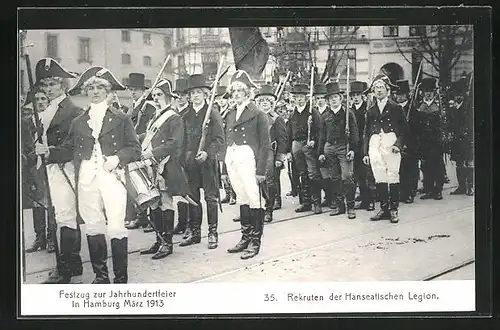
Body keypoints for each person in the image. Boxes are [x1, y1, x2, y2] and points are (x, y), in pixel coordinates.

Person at [38, 66, 141, 283]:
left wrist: (117, 158)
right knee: (93, 225)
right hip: (86, 179)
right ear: (86, 91)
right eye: (91, 87)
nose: (95, 91)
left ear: (108, 91)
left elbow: (134, 148)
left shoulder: (121, 118)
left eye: (100, 87)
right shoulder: (79, 122)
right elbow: (69, 149)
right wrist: (49, 151)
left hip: (112, 178)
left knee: (115, 225)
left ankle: (120, 278)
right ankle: (101, 277)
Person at [32, 58, 84, 284]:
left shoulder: (73, 110)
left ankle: (64, 269)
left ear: (63, 85)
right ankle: (73, 263)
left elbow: (74, 147)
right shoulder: (47, 109)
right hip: (51, 168)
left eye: (52, 84)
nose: (48, 89)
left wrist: (50, 151)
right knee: (62, 215)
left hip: (65, 168)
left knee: (65, 216)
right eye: (45, 85)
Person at [137, 79, 190, 260]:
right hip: (151, 164)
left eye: (159, 95)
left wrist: (151, 153)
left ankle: (167, 243)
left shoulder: (174, 117)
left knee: (165, 201)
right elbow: (150, 135)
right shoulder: (155, 116)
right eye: (154, 95)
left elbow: (174, 143)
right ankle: (159, 240)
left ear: (168, 96)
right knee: (154, 203)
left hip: (166, 164)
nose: (156, 98)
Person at [223, 70, 271, 259]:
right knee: (242, 197)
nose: (236, 94)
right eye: (233, 91)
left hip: (249, 159)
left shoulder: (258, 114)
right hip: (234, 158)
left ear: (248, 92)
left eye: (240, 91)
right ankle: (245, 237)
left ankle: (255, 241)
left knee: (254, 199)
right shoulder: (230, 113)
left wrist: (261, 171)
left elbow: (265, 144)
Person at [180, 74, 225, 249]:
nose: (196, 96)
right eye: (192, 93)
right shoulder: (185, 116)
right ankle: (195, 232)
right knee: (192, 198)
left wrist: (207, 152)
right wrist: (183, 158)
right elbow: (181, 141)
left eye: (199, 92)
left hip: (208, 162)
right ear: (189, 96)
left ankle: (213, 233)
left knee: (210, 198)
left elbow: (220, 139)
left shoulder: (212, 113)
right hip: (190, 162)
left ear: (206, 94)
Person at [362, 74, 407, 223]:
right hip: (375, 145)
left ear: (388, 90)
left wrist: (398, 145)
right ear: (373, 91)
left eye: (381, 87)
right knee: (379, 176)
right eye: (376, 88)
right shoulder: (371, 110)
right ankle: (384, 208)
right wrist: (365, 153)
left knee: (393, 175)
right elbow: (366, 132)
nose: (379, 90)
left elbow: (404, 130)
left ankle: (394, 209)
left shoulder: (396, 108)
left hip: (391, 144)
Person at [318, 82, 359, 219]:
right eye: (330, 98)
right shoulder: (325, 116)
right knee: (334, 178)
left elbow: (354, 132)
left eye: (335, 97)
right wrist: (321, 152)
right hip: (329, 148)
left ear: (340, 98)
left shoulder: (348, 113)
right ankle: (339, 206)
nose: (333, 100)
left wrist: (353, 149)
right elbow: (322, 135)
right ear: (328, 101)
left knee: (347, 177)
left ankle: (351, 207)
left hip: (344, 147)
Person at [22, 87, 53, 253]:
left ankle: (51, 237)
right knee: (37, 201)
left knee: (50, 200)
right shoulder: (27, 121)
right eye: (37, 99)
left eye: (43, 99)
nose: (40, 102)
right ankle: (39, 237)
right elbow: (25, 142)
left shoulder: (51, 119)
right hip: (34, 164)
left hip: (49, 162)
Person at [286, 83, 323, 214]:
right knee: (302, 174)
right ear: (294, 98)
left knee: (313, 173)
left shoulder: (313, 112)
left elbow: (320, 130)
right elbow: (289, 133)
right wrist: (288, 151)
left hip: (309, 146)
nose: (299, 99)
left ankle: (317, 202)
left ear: (306, 98)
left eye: (301, 97)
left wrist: (313, 139)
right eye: (297, 97)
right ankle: (306, 202)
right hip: (296, 145)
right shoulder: (292, 115)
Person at [254, 84, 287, 223]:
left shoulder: (276, 118)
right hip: (256, 152)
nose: (264, 104)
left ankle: (269, 209)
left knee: (269, 181)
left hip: (269, 152)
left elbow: (283, 139)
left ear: (271, 103)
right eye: (262, 101)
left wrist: (280, 157)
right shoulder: (254, 117)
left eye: (267, 101)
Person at [413, 78, 445, 200]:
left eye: (430, 91)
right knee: (425, 166)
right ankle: (429, 188)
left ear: (434, 92)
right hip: (423, 141)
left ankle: (438, 190)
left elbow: (442, 125)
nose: (428, 93)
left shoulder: (438, 107)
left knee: (437, 165)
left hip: (436, 141)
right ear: (422, 92)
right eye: (426, 91)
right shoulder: (419, 107)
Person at [350, 80, 376, 211]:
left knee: (367, 174)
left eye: (357, 95)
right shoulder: (350, 111)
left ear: (362, 96)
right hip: (355, 145)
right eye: (353, 95)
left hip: (366, 144)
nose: (355, 97)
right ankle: (364, 200)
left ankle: (371, 201)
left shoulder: (368, 109)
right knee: (358, 175)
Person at [171, 77, 191, 236]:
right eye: (177, 95)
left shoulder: (190, 112)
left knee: (188, 191)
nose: (179, 98)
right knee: (178, 191)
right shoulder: (173, 113)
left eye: (183, 95)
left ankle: (190, 223)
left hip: (187, 155)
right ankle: (182, 222)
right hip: (175, 156)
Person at [448, 77, 474, 196]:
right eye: (456, 94)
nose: (457, 97)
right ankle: (461, 186)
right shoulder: (453, 107)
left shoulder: (469, 105)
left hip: (467, 138)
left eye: (459, 94)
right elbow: (451, 122)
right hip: (456, 138)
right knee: (459, 162)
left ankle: (470, 186)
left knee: (468, 162)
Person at [395, 79, 419, 204]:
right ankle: (401, 192)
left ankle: (410, 193)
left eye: (402, 94)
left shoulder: (413, 108)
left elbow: (417, 129)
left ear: (407, 95)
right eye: (397, 94)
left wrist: (410, 124)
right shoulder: (394, 108)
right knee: (400, 169)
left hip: (411, 144)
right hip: (397, 143)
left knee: (411, 169)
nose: (399, 97)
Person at [313, 83, 333, 209]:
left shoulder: (329, 112)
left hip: (326, 145)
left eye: (322, 98)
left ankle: (331, 197)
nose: (320, 101)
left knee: (328, 173)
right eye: (317, 98)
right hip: (315, 146)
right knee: (317, 173)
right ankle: (324, 197)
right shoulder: (313, 112)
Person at [216, 86, 237, 206]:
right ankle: (227, 193)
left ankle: (234, 195)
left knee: (231, 170)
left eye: (224, 99)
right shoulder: (219, 112)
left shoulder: (231, 112)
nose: (222, 101)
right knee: (223, 170)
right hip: (221, 144)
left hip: (230, 142)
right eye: (219, 99)